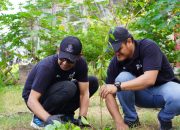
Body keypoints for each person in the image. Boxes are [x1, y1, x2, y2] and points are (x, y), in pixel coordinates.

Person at [100, 26, 180, 130]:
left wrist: (118, 86)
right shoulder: (115, 62)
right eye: (114, 50)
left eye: (118, 48)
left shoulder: (148, 46)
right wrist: (119, 122)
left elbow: (149, 79)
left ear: (129, 41)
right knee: (123, 77)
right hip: (141, 96)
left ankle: (164, 118)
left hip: (163, 90)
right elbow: (108, 92)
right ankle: (131, 120)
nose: (116, 53)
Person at [22, 36, 99, 129]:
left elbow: (84, 93)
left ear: (79, 56)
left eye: (70, 60)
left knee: (93, 82)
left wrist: (82, 118)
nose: (65, 63)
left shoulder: (81, 64)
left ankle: (65, 115)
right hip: (36, 99)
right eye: (63, 58)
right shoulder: (47, 67)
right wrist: (48, 119)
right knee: (69, 87)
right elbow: (31, 100)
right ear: (58, 51)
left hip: (58, 92)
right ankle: (39, 118)